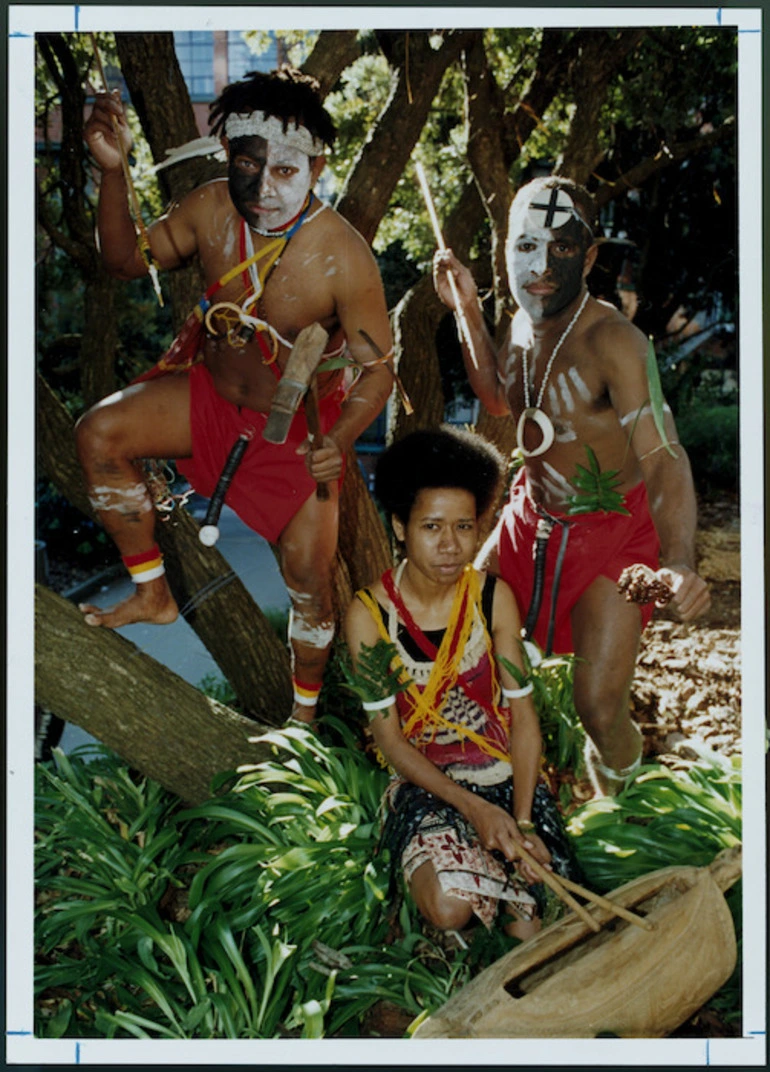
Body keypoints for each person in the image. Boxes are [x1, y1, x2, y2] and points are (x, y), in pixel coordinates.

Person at [75, 66, 394, 722]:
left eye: (285, 171)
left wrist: (336, 440)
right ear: (229, 156)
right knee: (98, 434)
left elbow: (379, 370)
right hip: (211, 402)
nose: (264, 188)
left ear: (317, 165)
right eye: (249, 166)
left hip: (299, 434)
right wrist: (113, 171)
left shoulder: (344, 255)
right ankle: (151, 591)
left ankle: (303, 718)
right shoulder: (211, 208)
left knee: (311, 589)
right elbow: (123, 260)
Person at [433, 176, 710, 794]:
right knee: (461, 634)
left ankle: (625, 799)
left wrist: (682, 560)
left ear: (588, 257)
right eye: (526, 245)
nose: (540, 265)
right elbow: (496, 397)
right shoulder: (522, 326)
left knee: (599, 707)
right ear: (506, 246)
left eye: (562, 249)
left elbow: (664, 457)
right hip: (530, 522)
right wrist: (468, 310)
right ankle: (494, 785)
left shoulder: (615, 342)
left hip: (613, 537)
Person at [345, 427, 551, 939]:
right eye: (431, 526)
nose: (450, 545)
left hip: (501, 774)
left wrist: (521, 821)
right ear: (399, 527)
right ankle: (455, 877)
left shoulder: (491, 599)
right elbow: (389, 739)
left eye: (464, 526)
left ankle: (503, 879)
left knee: (527, 926)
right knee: (449, 905)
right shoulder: (369, 615)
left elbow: (522, 716)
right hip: (425, 780)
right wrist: (475, 810)